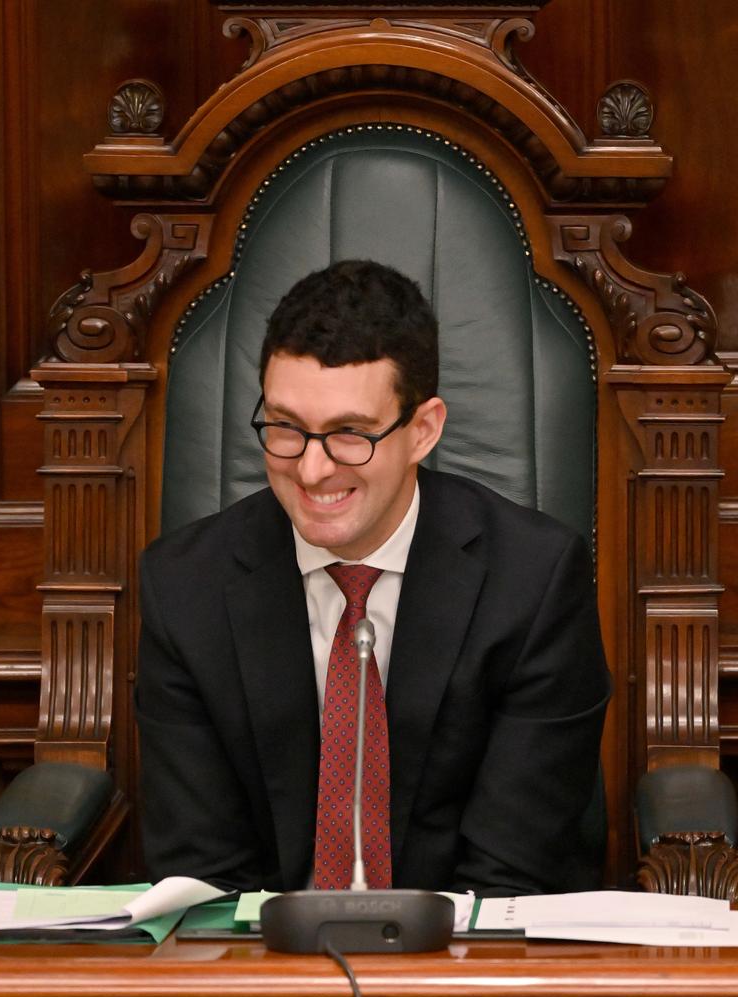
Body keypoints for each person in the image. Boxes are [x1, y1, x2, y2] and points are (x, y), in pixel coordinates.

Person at [135, 259, 610, 896]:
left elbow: (514, 871)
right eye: (284, 428)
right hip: (260, 971)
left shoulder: (533, 580)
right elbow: (201, 872)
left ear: (423, 430)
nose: (310, 470)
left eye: (349, 435)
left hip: (470, 963)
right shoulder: (185, 586)